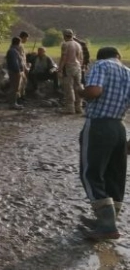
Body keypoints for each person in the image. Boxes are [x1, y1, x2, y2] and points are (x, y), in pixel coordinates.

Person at [76, 47, 130, 241]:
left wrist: (81, 92)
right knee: (114, 174)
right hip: (118, 127)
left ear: (101, 57)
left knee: (90, 172)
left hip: (99, 125)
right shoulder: (128, 72)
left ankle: (107, 225)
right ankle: (108, 220)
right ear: (118, 56)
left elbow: (94, 91)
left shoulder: (101, 65)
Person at [59, 29, 84, 114]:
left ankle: (70, 108)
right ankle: (79, 107)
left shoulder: (65, 44)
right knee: (78, 86)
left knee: (68, 87)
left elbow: (64, 58)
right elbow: (80, 58)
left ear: (64, 36)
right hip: (77, 67)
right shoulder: (78, 44)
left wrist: (60, 69)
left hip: (69, 67)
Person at [5, 37, 24, 110]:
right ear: (18, 43)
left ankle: (14, 103)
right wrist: (18, 72)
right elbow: (14, 63)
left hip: (14, 71)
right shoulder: (13, 51)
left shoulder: (13, 50)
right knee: (14, 88)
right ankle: (12, 104)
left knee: (15, 88)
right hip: (15, 72)